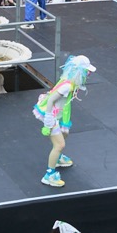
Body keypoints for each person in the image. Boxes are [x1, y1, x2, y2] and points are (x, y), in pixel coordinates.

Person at [33, 55, 97, 187]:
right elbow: (51, 99)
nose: (88, 74)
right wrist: (49, 121)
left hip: (57, 114)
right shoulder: (67, 86)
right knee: (59, 145)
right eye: (86, 72)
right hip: (51, 116)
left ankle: (57, 158)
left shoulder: (70, 82)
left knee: (64, 133)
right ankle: (49, 175)